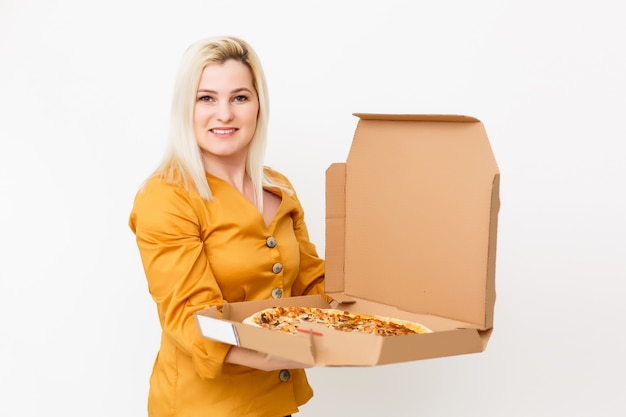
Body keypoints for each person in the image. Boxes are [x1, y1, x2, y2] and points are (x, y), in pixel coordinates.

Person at [128, 35, 328, 417]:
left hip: (277, 402)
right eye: (206, 98)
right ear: (186, 107)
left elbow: (310, 286)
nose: (224, 114)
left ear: (258, 105)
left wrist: (375, 293)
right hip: (202, 407)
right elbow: (189, 313)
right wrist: (268, 354)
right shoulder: (167, 196)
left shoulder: (279, 188)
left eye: (239, 97)